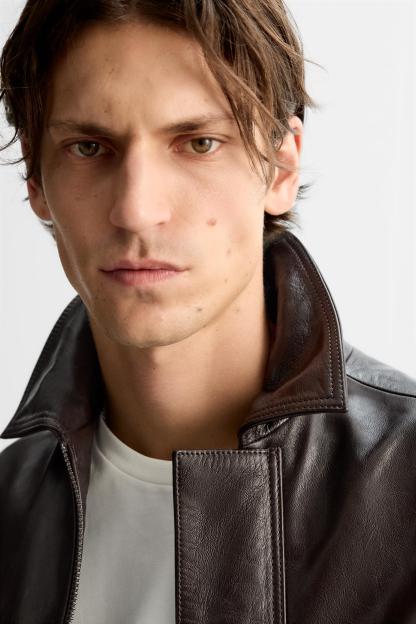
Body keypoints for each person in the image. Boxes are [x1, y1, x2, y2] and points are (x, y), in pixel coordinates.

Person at [0, 1, 415, 622]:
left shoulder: (403, 482)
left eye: (198, 143)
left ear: (281, 166)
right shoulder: (11, 511)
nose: (137, 210)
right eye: (89, 147)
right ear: (36, 180)